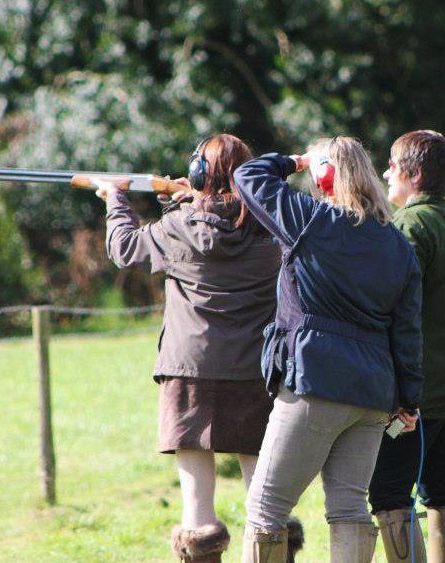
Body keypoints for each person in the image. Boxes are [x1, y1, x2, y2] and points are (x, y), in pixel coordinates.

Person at [94, 134, 303, 563]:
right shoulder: (274, 230)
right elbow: (235, 219)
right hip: (256, 373)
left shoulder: (180, 227)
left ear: (198, 174)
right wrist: (189, 200)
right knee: (265, 501)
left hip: (189, 374)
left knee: (196, 507)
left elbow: (124, 247)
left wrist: (116, 200)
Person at [233, 137, 424, 563]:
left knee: (265, 508)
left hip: (314, 382)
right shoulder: (398, 246)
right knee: (350, 509)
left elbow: (247, 175)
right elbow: (408, 334)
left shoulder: (311, 220)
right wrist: (409, 399)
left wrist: (294, 160)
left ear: (324, 176)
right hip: (374, 396)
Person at [369, 130, 445, 563]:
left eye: (392, 164)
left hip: (425, 389)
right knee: (441, 484)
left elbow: (393, 306)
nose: (385, 172)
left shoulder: (410, 224)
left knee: (387, 490)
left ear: (414, 174)